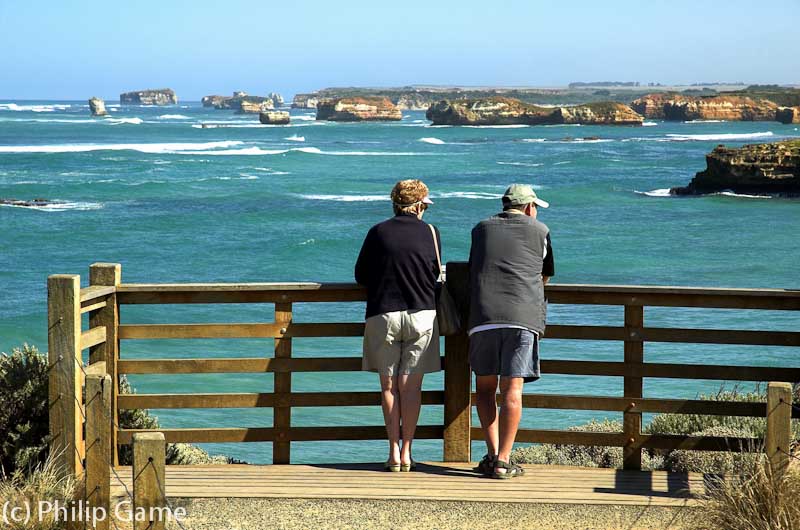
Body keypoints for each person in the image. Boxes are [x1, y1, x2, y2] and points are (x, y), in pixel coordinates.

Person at [355, 179, 442, 472]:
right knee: (412, 388)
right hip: (421, 314)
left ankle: (392, 452)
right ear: (418, 206)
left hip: (383, 313)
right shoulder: (430, 233)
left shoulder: (377, 232)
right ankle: (408, 452)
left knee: (389, 387)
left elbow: (361, 275)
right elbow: (435, 272)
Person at [468, 183, 554, 479]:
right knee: (512, 389)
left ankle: (492, 455)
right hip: (522, 316)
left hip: (483, 316)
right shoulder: (540, 230)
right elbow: (545, 274)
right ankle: (504, 460)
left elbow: (475, 266)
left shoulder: (480, 229)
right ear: (529, 207)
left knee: (485, 389)